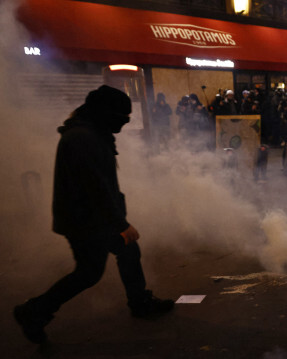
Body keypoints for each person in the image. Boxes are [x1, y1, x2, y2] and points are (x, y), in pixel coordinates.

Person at [13, 85, 174, 344]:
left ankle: (140, 301)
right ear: (105, 112)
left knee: (128, 250)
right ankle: (33, 311)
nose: (124, 122)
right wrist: (120, 224)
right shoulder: (82, 138)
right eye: (122, 116)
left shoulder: (92, 132)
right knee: (89, 272)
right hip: (85, 221)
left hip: (94, 218)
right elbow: (95, 186)